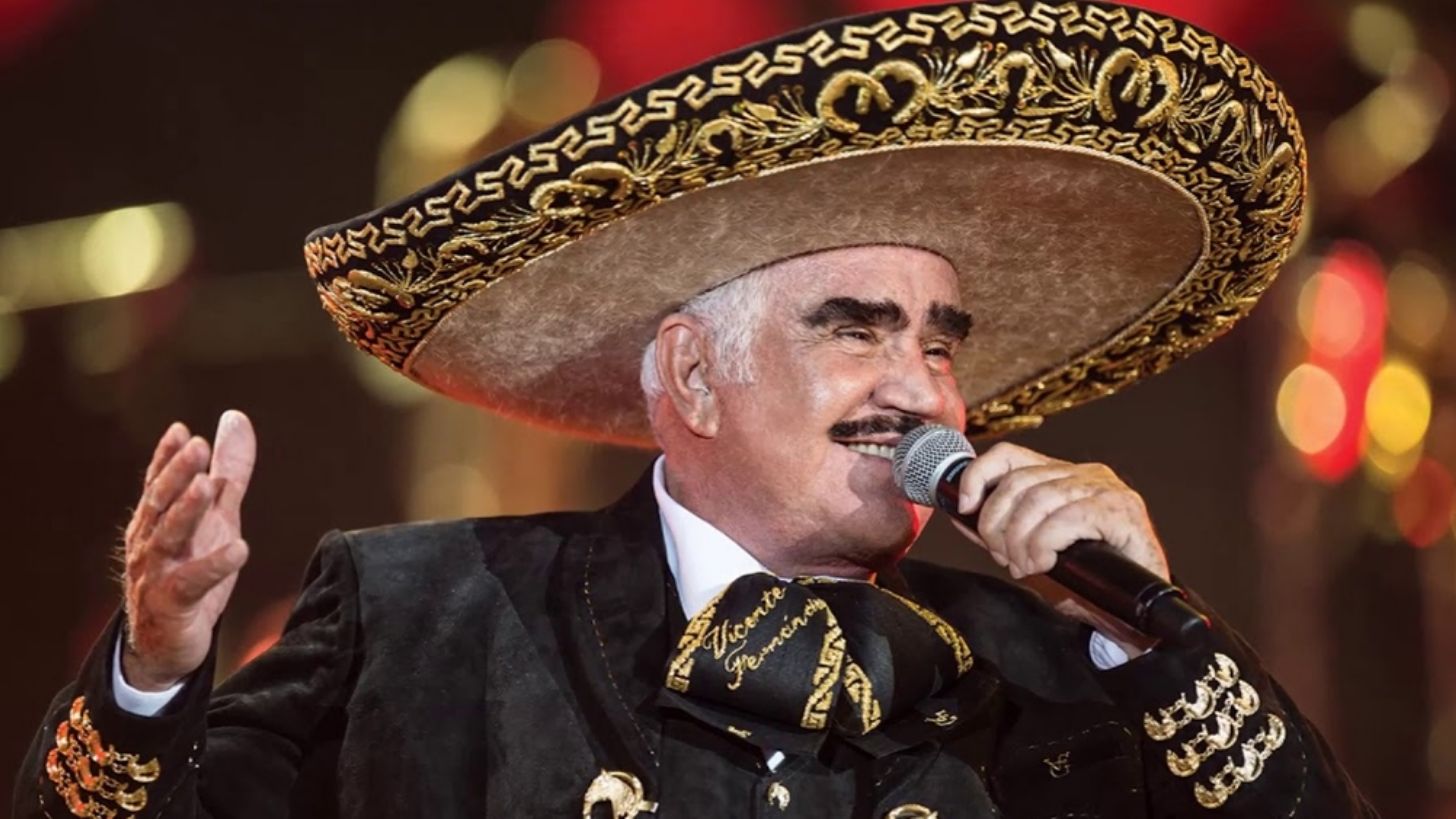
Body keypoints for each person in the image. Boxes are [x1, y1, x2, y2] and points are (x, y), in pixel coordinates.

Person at [16, 2, 1376, 817]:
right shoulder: (416, 614)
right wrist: (153, 667)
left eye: (939, 345)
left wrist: (1157, 644)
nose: (919, 390)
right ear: (691, 375)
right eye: (855, 330)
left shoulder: (1052, 667)